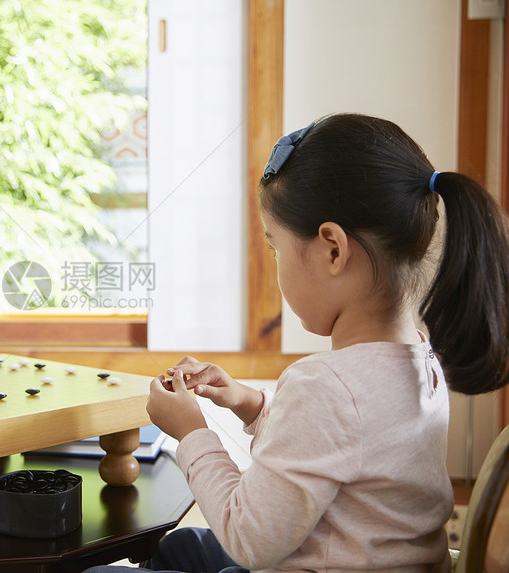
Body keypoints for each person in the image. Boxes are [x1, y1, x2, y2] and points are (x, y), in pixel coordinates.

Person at [86, 113, 509, 573]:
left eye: (276, 247)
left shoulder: (325, 386)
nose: (276, 263)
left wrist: (191, 434)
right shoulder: (420, 357)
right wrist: (249, 403)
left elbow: (247, 538)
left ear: (332, 248)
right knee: (182, 546)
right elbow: (343, 450)